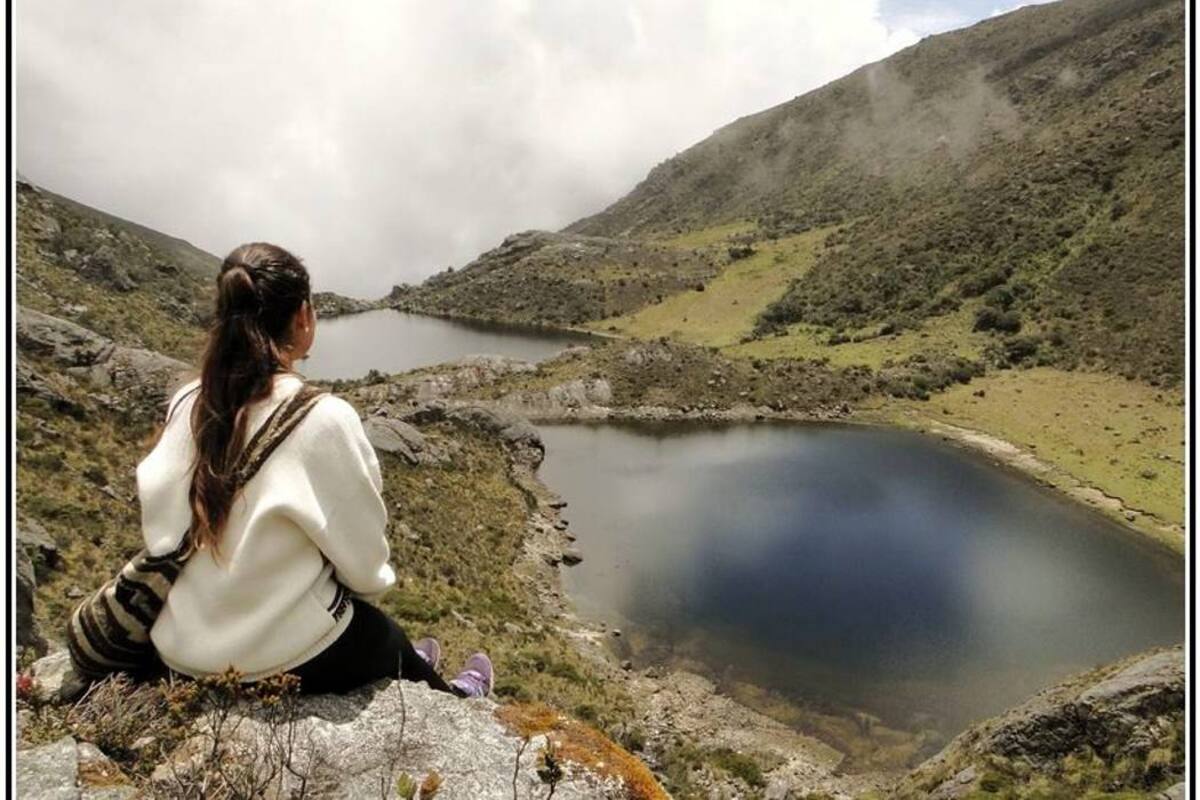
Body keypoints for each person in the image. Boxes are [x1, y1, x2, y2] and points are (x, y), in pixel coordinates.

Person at [138, 242, 493, 698]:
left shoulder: (189, 400)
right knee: (381, 636)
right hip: (267, 659)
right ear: (303, 317)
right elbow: (365, 569)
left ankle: (421, 667)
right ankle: (456, 696)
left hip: (179, 647)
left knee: (383, 638)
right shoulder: (321, 417)